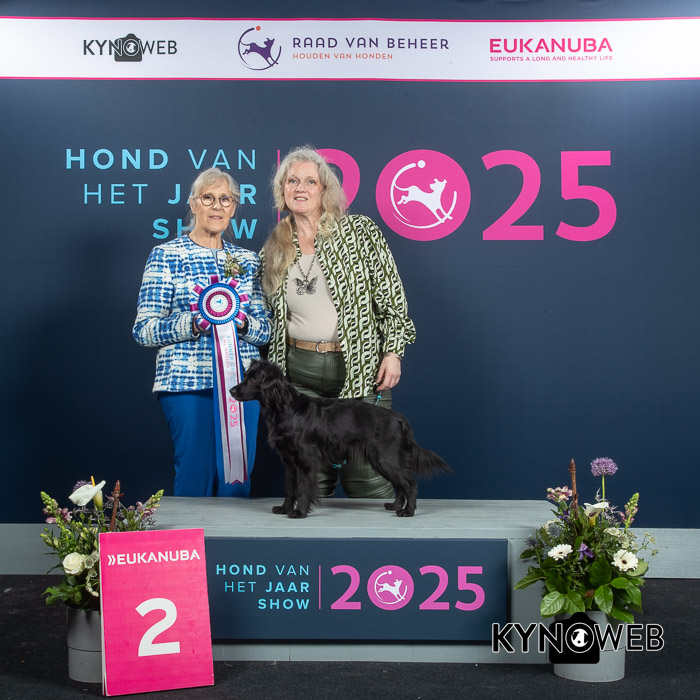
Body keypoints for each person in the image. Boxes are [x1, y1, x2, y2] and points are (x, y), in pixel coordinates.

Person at [261, 146, 416, 499]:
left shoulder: (359, 231)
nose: (300, 188)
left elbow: (392, 298)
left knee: (368, 481)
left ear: (324, 189)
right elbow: (266, 312)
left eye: (309, 181)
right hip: (299, 376)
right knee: (308, 483)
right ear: (282, 190)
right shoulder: (273, 248)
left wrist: (393, 352)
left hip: (360, 369)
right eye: (292, 181)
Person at [133, 167, 271, 497]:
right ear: (193, 203)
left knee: (236, 482)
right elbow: (144, 329)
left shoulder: (248, 260)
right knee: (194, 478)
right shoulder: (166, 255)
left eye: (225, 199)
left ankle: (235, 535)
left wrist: (240, 322)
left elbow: (265, 331)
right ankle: (191, 535)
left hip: (242, 386)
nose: (217, 206)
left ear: (234, 208)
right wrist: (195, 322)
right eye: (208, 198)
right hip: (185, 383)